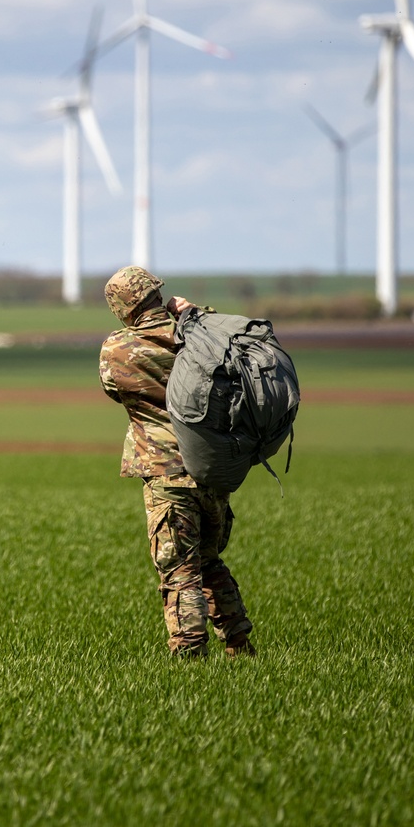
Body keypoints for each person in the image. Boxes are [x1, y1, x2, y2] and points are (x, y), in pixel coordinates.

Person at [99, 266, 255, 659]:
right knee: (209, 561)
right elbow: (232, 350)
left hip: (166, 474)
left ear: (122, 308)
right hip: (213, 471)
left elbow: (112, 390)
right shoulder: (200, 337)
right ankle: (240, 645)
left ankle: (189, 656)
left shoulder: (118, 348)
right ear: (158, 294)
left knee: (179, 569)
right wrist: (192, 314)